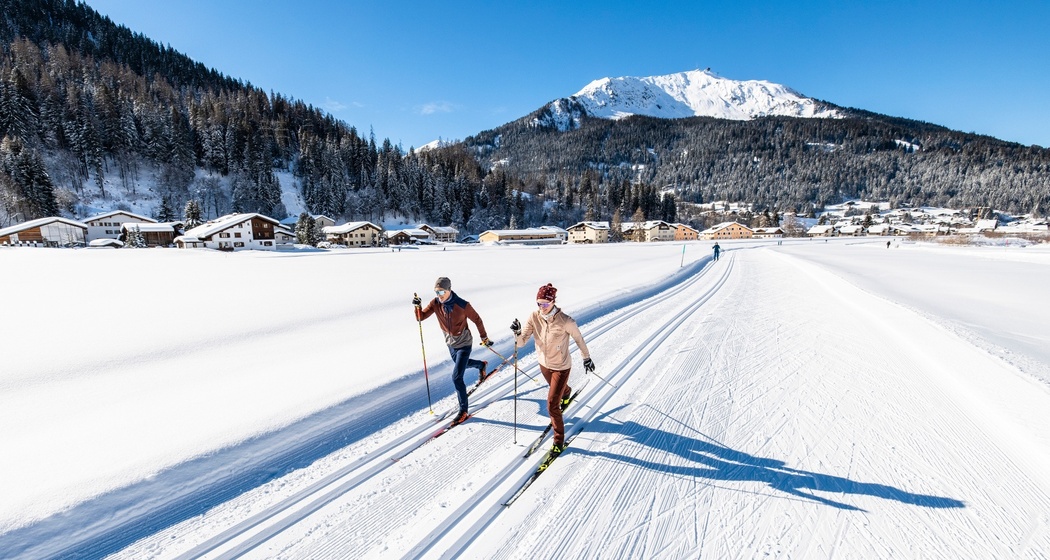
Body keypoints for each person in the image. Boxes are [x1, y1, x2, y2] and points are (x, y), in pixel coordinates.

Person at [511, 283, 594, 457]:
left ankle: (558, 441)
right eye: (539, 303)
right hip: (544, 364)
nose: (542, 307)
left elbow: (579, 339)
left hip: (562, 366)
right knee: (558, 390)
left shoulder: (566, 321)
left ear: (553, 302)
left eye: (546, 304)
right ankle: (567, 392)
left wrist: (586, 357)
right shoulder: (534, 317)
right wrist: (517, 333)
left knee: (551, 405)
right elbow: (521, 342)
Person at [413, 277, 492, 424]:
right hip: (450, 343)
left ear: (449, 289)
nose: (439, 295)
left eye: (442, 291)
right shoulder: (435, 303)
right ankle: (481, 365)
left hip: (464, 343)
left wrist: (484, 338)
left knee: (457, 377)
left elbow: (477, 320)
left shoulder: (462, 305)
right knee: (459, 363)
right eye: (436, 292)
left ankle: (463, 411)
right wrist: (417, 307)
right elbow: (420, 318)